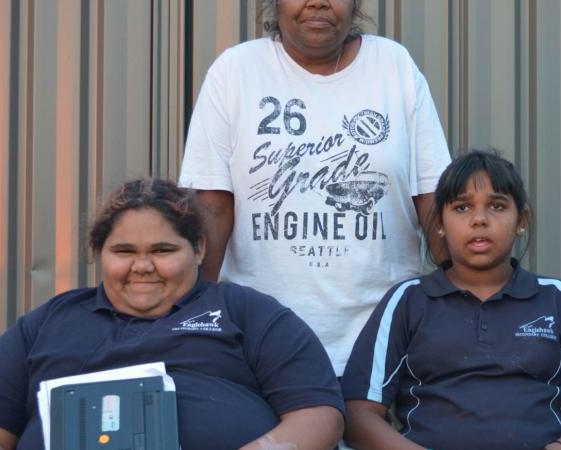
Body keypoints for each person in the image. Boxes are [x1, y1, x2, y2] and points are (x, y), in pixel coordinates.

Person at [0, 179, 344, 450]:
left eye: (162, 251)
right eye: (124, 252)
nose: (142, 266)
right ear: (98, 254)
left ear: (199, 249)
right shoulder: (45, 325)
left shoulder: (245, 311)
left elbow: (318, 414)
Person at [178, 0, 451, 376]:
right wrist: (197, 320)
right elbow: (212, 206)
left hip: (382, 338)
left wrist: (463, 306)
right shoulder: (237, 70)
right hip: (262, 338)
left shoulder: (393, 66)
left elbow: (433, 198)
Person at [340, 150, 561, 450]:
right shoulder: (408, 301)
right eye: (462, 208)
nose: (479, 219)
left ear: (521, 220)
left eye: (497, 206)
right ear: (440, 224)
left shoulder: (558, 300)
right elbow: (357, 414)